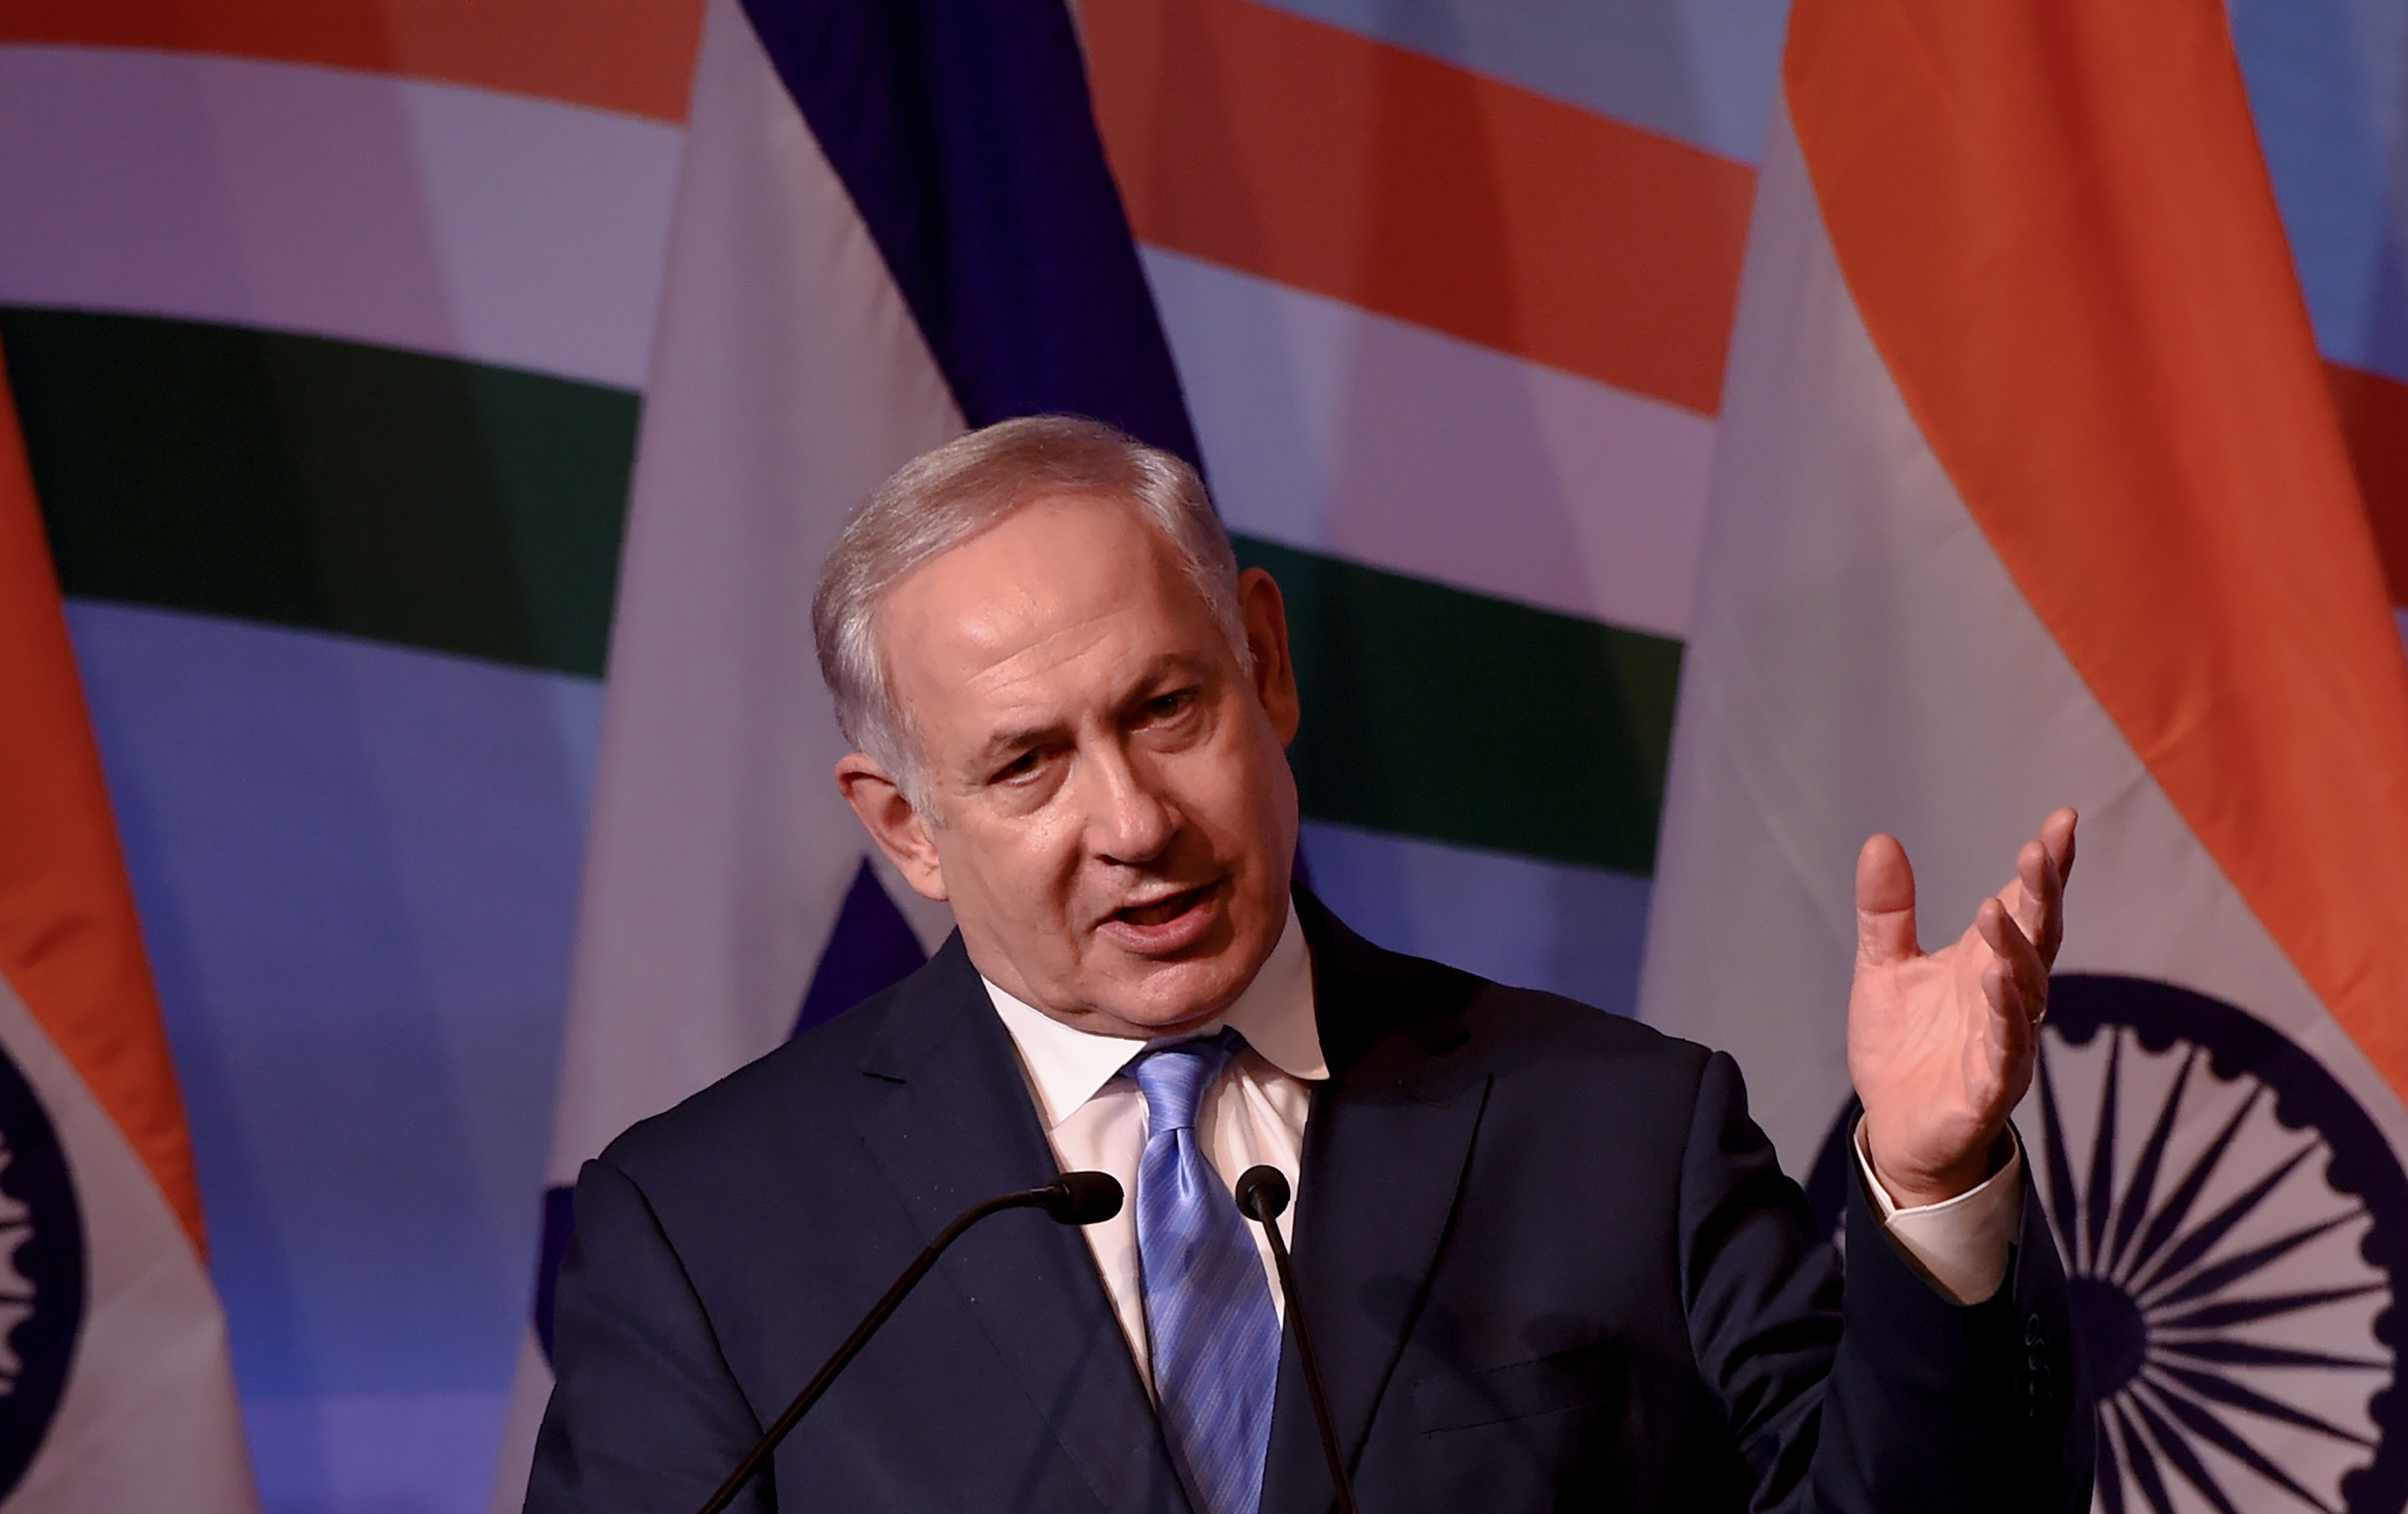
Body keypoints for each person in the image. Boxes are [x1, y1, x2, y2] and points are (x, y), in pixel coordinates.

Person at [528, 415, 2089, 1513]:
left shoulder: (1619, 1134)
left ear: (1262, 662)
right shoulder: (709, 1229)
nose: (1134, 819)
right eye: (1026, 768)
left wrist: (1934, 1189)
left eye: (1164, 709)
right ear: (906, 825)